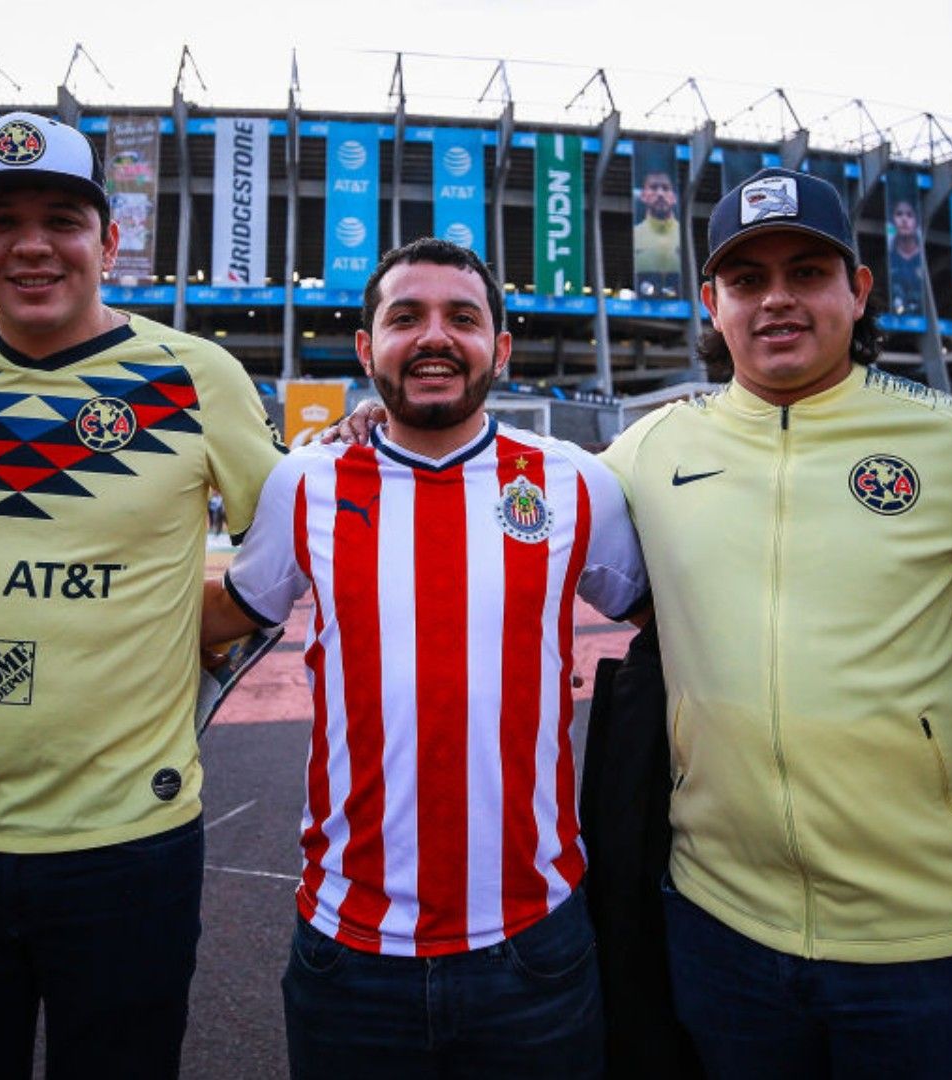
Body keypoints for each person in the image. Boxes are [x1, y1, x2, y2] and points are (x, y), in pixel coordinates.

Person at [598, 167, 952, 1077]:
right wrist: (366, 439)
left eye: (807, 272)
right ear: (711, 303)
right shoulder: (649, 448)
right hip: (719, 919)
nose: (777, 301)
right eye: (746, 280)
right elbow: (523, 511)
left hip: (922, 931)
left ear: (859, 289)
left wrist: (900, 635)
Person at [0, 111, 283, 1078]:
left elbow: (286, 543)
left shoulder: (194, 372)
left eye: (61, 216)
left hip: (129, 844)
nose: (31, 244)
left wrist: (207, 625)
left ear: (109, 238)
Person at [206, 237, 648, 1078]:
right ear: (368, 347)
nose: (434, 337)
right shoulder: (306, 482)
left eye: (463, 318)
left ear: (500, 348)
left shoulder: (572, 482)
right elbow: (232, 613)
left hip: (536, 946)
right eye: (405, 317)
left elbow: (666, 615)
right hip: (349, 954)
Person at [633, 168, 682, 297]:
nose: (660, 193)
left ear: (673, 197)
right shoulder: (635, 235)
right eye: (654, 188)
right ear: (643, 195)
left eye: (665, 188)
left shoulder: (684, 237)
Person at [887, 198, 927, 317]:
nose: (904, 220)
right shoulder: (889, 255)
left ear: (916, 222)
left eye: (909, 215)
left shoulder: (924, 257)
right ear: (893, 220)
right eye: (899, 214)